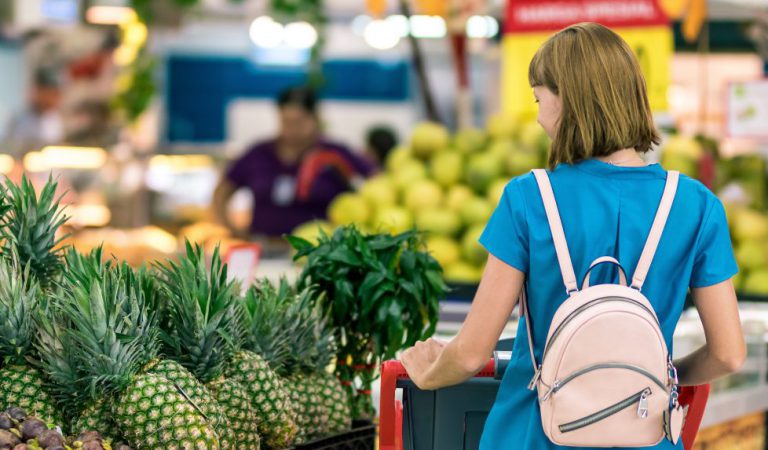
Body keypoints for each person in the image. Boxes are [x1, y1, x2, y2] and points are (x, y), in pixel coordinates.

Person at [400, 23, 746, 449]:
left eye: (539, 99)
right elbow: (729, 354)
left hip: (531, 434)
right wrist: (652, 377)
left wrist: (428, 372)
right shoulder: (696, 204)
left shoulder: (528, 198)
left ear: (567, 101)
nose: (539, 116)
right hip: (644, 433)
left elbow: (472, 352)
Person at [213, 86, 373, 248]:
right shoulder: (259, 154)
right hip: (264, 248)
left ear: (315, 118)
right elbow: (221, 193)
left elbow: (375, 183)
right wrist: (232, 230)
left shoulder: (335, 154)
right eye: (286, 121)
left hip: (321, 252)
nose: (291, 129)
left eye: (298, 122)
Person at [0, 67, 64, 158]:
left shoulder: (55, 119)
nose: (54, 99)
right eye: (50, 93)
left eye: (56, 94)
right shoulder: (20, 120)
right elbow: (9, 151)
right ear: (38, 91)